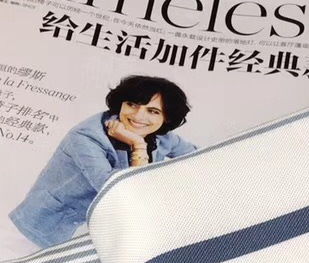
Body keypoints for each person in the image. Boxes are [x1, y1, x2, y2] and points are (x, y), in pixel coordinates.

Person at [10, 75, 196, 249]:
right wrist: (138, 144)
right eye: (132, 104)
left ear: (166, 117)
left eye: (153, 111)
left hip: (105, 225)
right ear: (121, 104)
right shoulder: (86, 137)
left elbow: (196, 158)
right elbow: (121, 190)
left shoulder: (161, 136)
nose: (139, 116)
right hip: (53, 228)